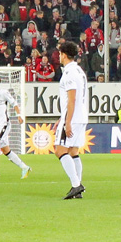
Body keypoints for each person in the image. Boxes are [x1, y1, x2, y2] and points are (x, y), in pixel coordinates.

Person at [54, 41, 89, 199]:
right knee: (73, 151)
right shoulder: (79, 71)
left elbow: (71, 99)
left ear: (64, 55)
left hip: (73, 117)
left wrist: (67, 122)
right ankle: (77, 189)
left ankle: (76, 185)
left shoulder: (69, 73)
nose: (59, 56)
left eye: (60, 53)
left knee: (59, 150)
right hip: (81, 116)